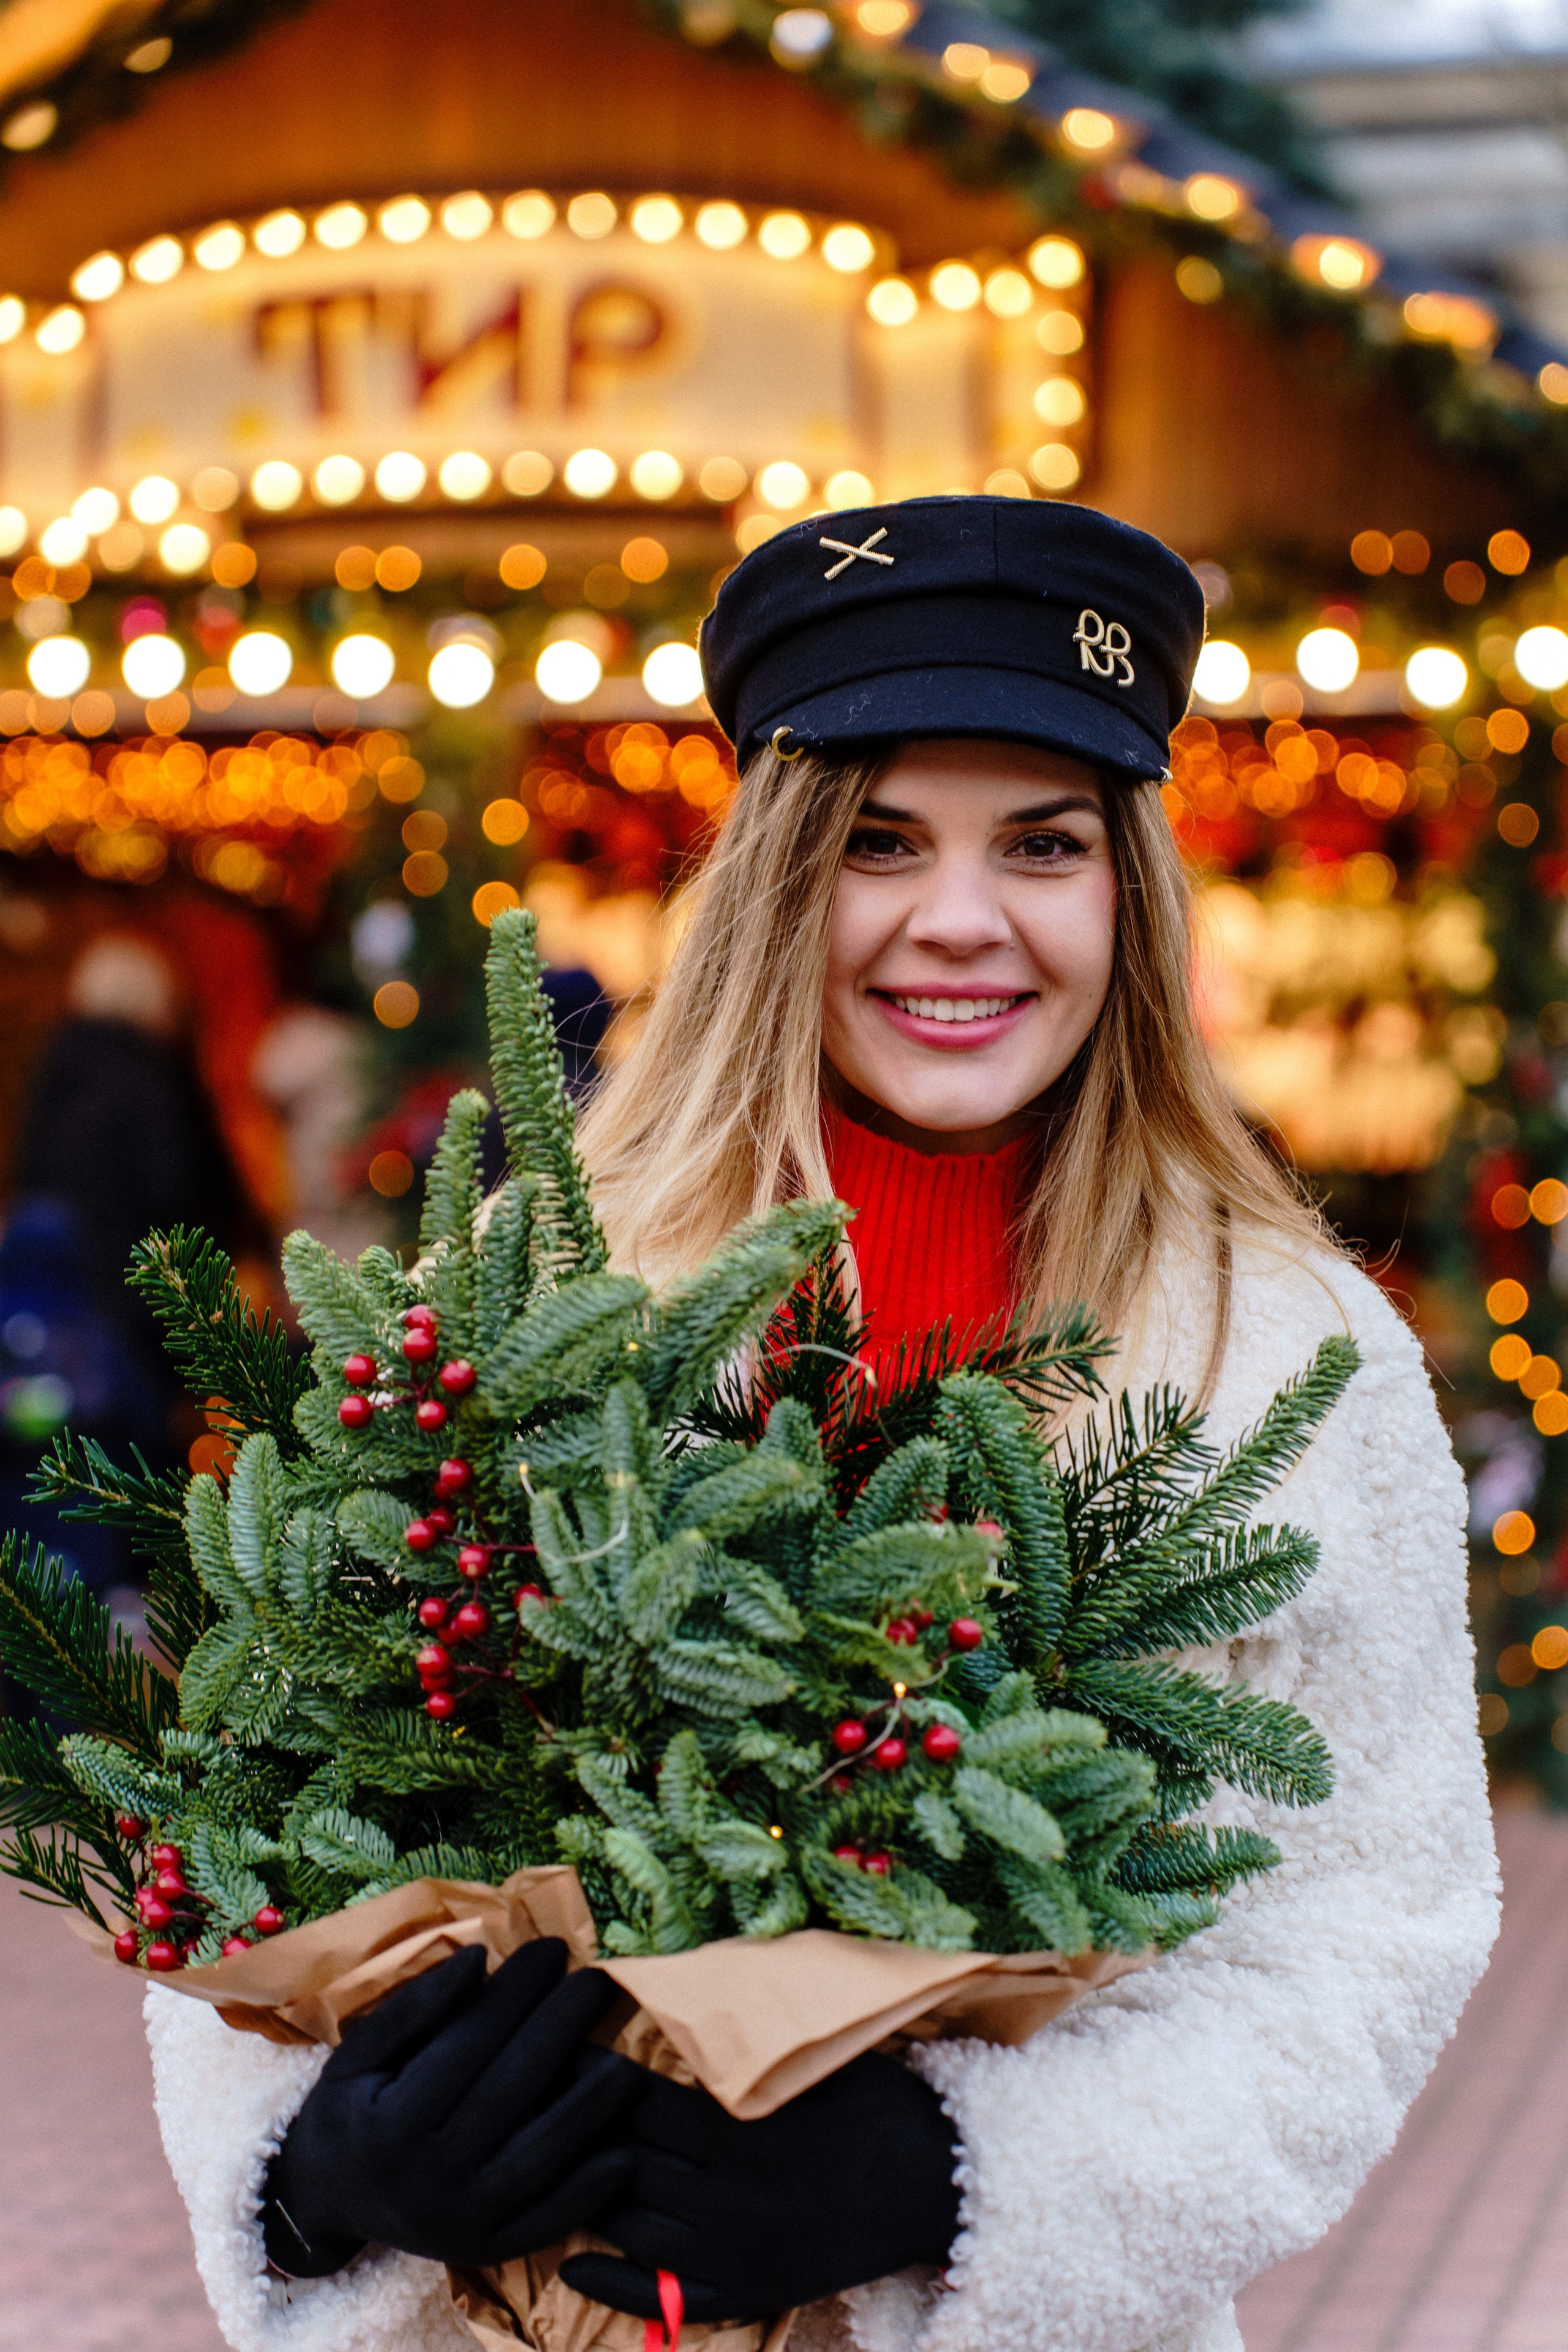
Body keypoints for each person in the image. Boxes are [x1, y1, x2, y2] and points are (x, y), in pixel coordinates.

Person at [145, 496, 1499, 2352]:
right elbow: (258, 1796)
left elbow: (1371, 1929)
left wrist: (962, 2181)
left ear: (1130, 889)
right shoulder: (532, 1280)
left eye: (1043, 843)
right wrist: (314, 2176)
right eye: (879, 843)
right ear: (781, 878)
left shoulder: (1291, 1353)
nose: (962, 920)